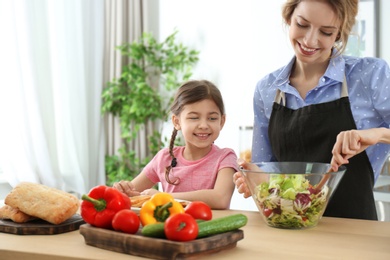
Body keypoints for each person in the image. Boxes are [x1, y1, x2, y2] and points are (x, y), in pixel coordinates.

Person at [233, 0, 390, 220]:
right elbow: (265, 172)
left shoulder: (368, 75)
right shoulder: (267, 89)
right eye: (302, 24)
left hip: (354, 230)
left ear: (339, 34)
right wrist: (251, 178)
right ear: (289, 17)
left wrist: (376, 135)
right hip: (288, 226)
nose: (310, 40)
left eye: (326, 32)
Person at [113, 80, 238, 209]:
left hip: (211, 227)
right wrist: (125, 191)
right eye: (194, 118)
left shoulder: (225, 157)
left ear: (222, 122)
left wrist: (164, 197)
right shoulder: (164, 158)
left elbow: (220, 198)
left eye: (212, 118)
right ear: (177, 121)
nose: (204, 125)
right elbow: (133, 193)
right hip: (170, 227)